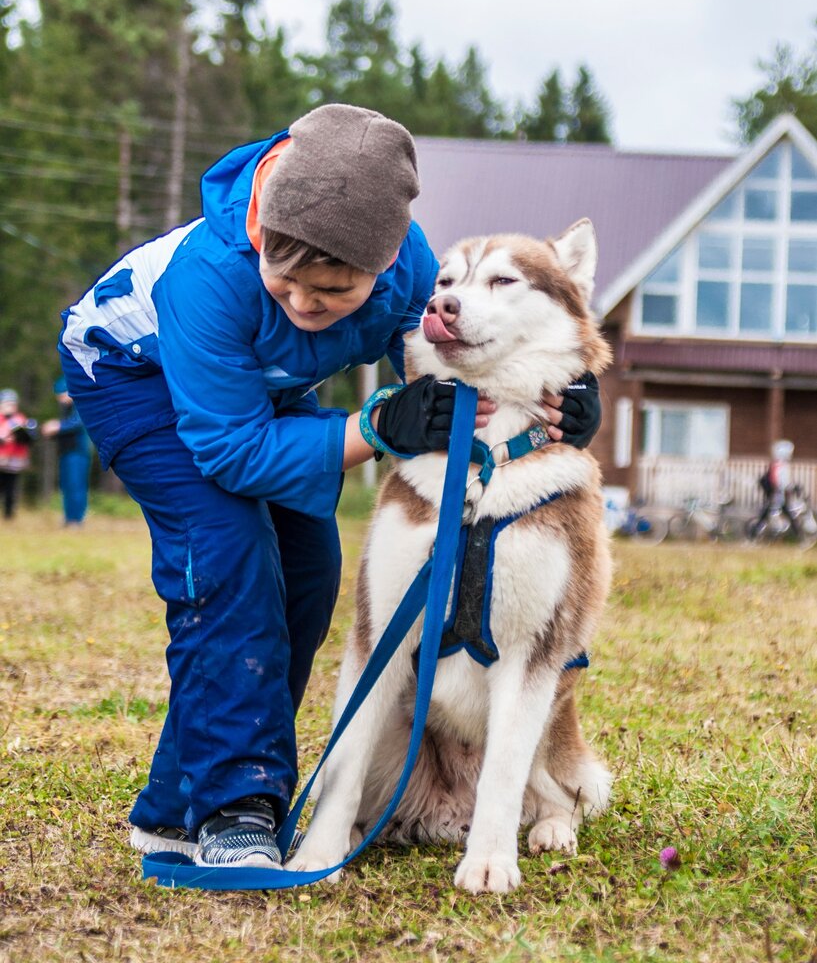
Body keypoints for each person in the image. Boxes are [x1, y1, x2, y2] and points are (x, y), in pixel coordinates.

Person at [58, 104, 602, 869]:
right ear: (259, 242)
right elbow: (230, 448)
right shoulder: (208, 281)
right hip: (135, 377)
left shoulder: (413, 267)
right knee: (229, 564)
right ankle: (233, 808)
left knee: (309, 578)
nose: (305, 303)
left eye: (333, 289)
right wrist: (378, 426)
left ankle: (170, 810)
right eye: (285, 282)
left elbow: (453, 354)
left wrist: (567, 398)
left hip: (265, 395)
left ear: (383, 268)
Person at [41, 377, 92, 527]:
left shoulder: (80, 404)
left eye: (63, 394)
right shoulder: (65, 408)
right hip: (66, 450)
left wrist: (57, 426)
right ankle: (69, 517)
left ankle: (77, 519)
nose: (61, 399)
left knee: (77, 485)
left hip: (78, 451)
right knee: (67, 485)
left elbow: (78, 422)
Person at [0, 389, 38, 520]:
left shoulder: (20, 419)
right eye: (6, 404)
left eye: (12, 404)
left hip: (13, 461)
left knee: (10, 489)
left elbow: (28, 440)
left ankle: (8, 515)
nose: (9, 407)